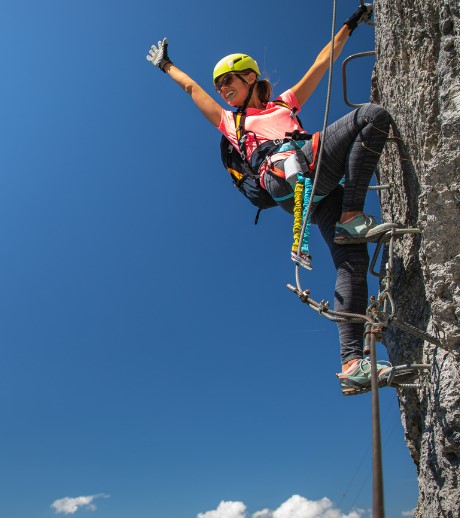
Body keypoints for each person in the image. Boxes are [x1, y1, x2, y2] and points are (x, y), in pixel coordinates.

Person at [146, 4, 396, 395]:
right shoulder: (233, 123)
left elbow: (322, 61)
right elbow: (192, 89)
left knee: (353, 261)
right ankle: (352, 214)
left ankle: (352, 362)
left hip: (314, 190)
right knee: (371, 116)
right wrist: (167, 66)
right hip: (286, 178)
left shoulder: (285, 104)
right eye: (220, 85)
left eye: (229, 80)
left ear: (250, 77)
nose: (223, 89)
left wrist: (351, 21)